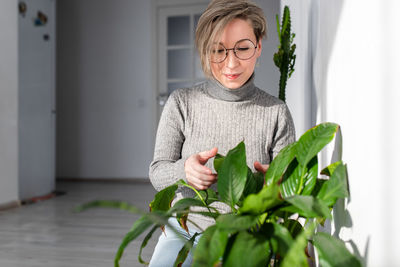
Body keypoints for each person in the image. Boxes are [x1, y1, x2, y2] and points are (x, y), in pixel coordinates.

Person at [148, 0, 295, 266]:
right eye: (218, 50)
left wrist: (274, 185)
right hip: (186, 230)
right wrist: (186, 171)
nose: (231, 63)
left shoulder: (276, 112)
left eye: (242, 49)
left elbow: (290, 185)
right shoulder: (182, 102)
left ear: (258, 46)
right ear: (205, 51)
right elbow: (157, 170)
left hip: (248, 236)